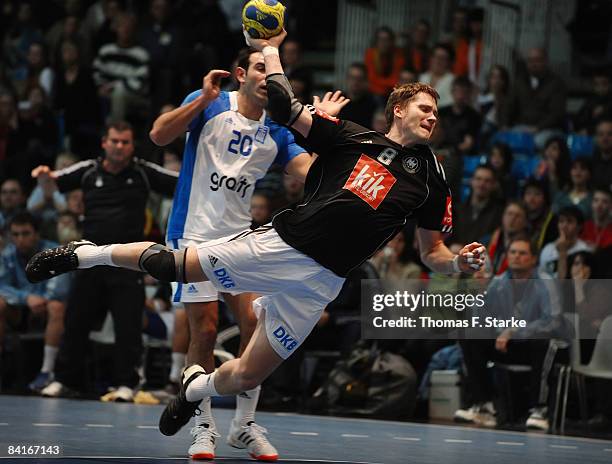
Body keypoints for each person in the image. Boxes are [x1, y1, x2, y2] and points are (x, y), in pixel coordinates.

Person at [26, 30, 487, 452]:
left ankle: (197, 393)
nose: (433, 115)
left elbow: (432, 253)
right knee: (182, 286)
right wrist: (275, 52)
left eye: (437, 111)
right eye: (425, 107)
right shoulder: (349, 135)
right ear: (399, 110)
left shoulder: (432, 178)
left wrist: (459, 264)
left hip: (322, 280)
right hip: (279, 243)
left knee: (249, 368)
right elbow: (188, 128)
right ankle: (85, 253)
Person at [148, 47, 340, 461]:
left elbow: (314, 177)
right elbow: (159, 135)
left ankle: (243, 424)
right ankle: (202, 426)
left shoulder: (278, 129)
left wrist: (324, 129)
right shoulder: (212, 100)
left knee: (255, 324)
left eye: (273, 72)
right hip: (193, 233)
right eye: (260, 68)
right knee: (205, 329)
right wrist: (199, 98)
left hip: (239, 240)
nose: (268, 76)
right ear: (240, 74)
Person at [30, 121, 177, 402]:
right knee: (75, 321)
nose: (119, 146)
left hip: (128, 261)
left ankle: (126, 384)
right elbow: (54, 179)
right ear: (104, 143)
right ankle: (64, 379)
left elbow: (180, 182)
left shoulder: (144, 172)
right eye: (115, 141)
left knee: (128, 326)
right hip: (88, 257)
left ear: (132, 146)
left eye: (125, 142)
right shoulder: (88, 170)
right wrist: (44, 176)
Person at [455, 236, 554, 430]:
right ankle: (485, 406)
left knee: (543, 342)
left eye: (523, 253)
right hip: (506, 344)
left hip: (531, 345)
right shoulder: (499, 282)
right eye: (513, 252)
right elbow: (481, 320)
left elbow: (551, 321)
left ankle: (539, 410)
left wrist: (514, 331)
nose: (517, 256)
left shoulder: (545, 283)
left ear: (533, 259)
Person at [0, 212, 70, 391]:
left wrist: (41, 300)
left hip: (47, 310)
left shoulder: (54, 252)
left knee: (57, 306)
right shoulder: (7, 255)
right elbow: (1, 285)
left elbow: (60, 289)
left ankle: (47, 371)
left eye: (25, 233)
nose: (20, 239)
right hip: (20, 310)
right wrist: (26, 298)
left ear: (37, 234)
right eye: (15, 235)